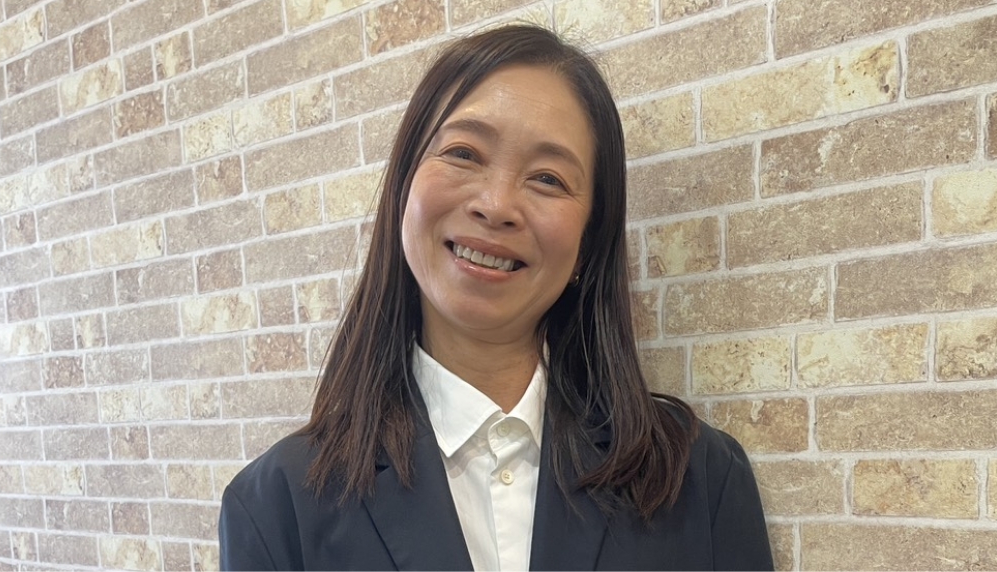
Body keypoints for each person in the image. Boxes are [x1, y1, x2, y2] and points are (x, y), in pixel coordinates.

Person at [219, 24, 773, 571]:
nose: (496, 204)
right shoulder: (276, 507)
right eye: (464, 153)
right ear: (404, 187)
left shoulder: (700, 479)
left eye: (548, 179)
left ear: (588, 241)